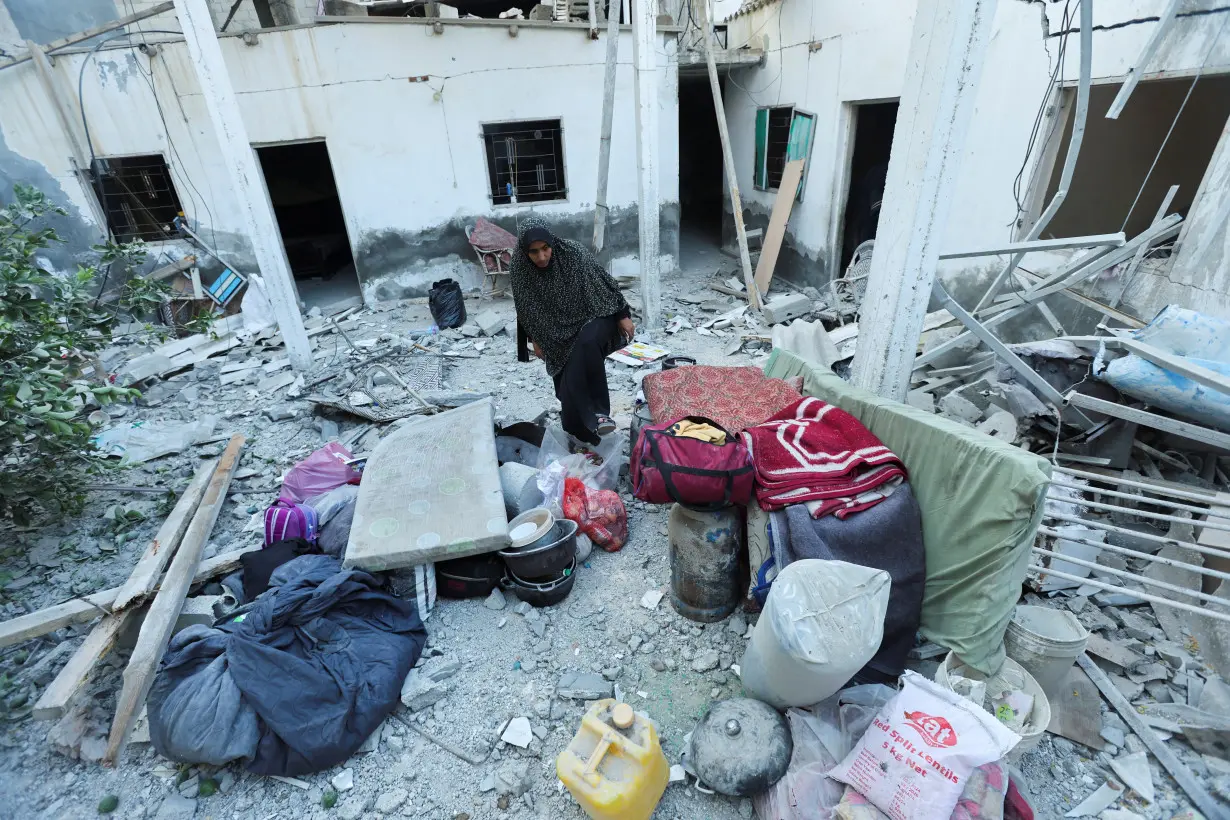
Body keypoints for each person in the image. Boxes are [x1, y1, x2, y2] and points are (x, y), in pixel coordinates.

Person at [510, 216, 634, 447]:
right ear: (524, 252)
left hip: (596, 314)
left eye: (546, 248)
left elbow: (605, 284)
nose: (542, 257)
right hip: (556, 330)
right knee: (569, 368)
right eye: (534, 252)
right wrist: (535, 339)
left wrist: (623, 315)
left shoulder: (573, 253)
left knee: (584, 343)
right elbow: (524, 307)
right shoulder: (519, 268)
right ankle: (576, 428)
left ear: (552, 243)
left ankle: (597, 414)